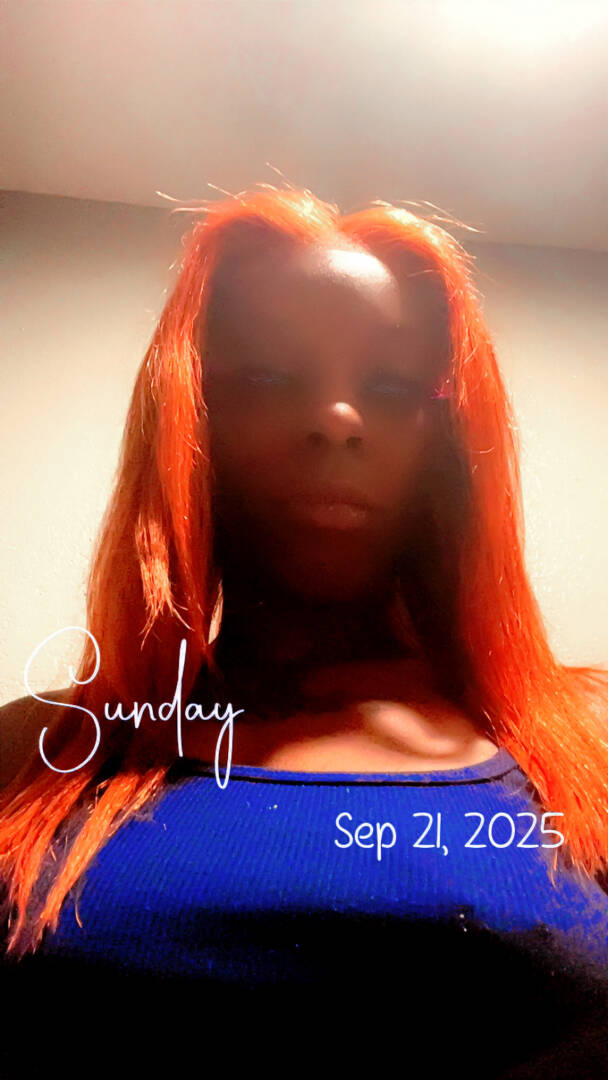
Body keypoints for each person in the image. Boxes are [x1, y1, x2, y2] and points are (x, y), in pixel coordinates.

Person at [1, 184, 608, 1077]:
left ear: (451, 439)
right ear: (190, 418)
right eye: (266, 379)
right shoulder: (36, 751)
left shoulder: (586, 744)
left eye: (393, 388)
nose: (335, 421)